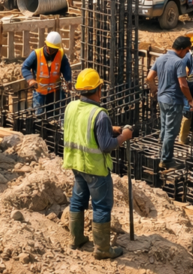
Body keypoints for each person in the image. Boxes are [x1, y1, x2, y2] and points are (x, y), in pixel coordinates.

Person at [64, 68, 134, 260]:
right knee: (101, 206)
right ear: (98, 90)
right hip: (95, 168)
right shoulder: (100, 115)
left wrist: (108, 129)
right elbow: (106, 146)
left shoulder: (70, 107)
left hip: (76, 164)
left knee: (78, 200)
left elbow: (80, 127)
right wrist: (123, 136)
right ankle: (102, 249)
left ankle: (75, 239)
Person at [146, 36, 193, 169]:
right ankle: (166, 160)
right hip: (174, 101)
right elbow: (183, 85)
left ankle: (162, 153)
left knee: (164, 127)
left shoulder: (160, 58)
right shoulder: (179, 62)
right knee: (171, 131)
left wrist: (154, 89)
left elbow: (149, 78)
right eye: (186, 50)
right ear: (180, 49)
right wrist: (190, 100)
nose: (187, 53)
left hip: (162, 99)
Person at [21, 31, 72, 119]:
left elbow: (66, 68)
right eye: (49, 48)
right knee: (39, 117)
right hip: (40, 93)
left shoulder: (61, 55)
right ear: (45, 44)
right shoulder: (36, 54)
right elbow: (25, 67)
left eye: (53, 49)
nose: (51, 51)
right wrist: (30, 79)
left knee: (57, 116)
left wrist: (68, 80)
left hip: (55, 92)